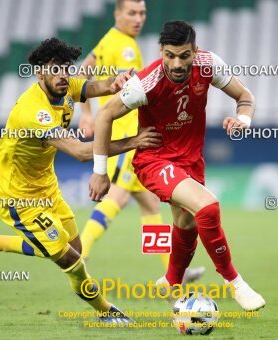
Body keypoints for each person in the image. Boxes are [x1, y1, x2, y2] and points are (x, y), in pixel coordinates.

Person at [0, 37, 161, 324]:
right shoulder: (33, 112)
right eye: (55, 69)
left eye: (66, 68)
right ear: (39, 73)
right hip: (20, 199)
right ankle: (106, 312)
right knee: (71, 261)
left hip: (47, 186)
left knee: (75, 249)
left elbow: (98, 87)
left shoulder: (65, 86)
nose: (63, 75)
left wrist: (117, 81)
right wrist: (134, 141)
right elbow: (82, 152)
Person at [88, 21, 266, 311]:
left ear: (195, 52)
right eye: (170, 55)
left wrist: (243, 120)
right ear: (161, 51)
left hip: (191, 161)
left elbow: (245, 97)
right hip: (154, 160)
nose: (177, 63)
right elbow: (105, 115)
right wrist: (100, 172)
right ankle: (235, 283)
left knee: (188, 222)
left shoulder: (208, 65)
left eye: (184, 55)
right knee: (207, 207)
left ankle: (171, 282)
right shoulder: (146, 82)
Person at [78, 0, 205, 283]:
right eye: (132, 13)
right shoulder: (123, 46)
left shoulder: (107, 40)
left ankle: (174, 273)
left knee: (150, 206)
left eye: (142, 13)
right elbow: (134, 88)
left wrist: (85, 113)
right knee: (117, 197)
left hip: (129, 135)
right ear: (117, 14)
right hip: (127, 135)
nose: (138, 19)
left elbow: (82, 72)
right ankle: (81, 252)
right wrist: (89, 114)